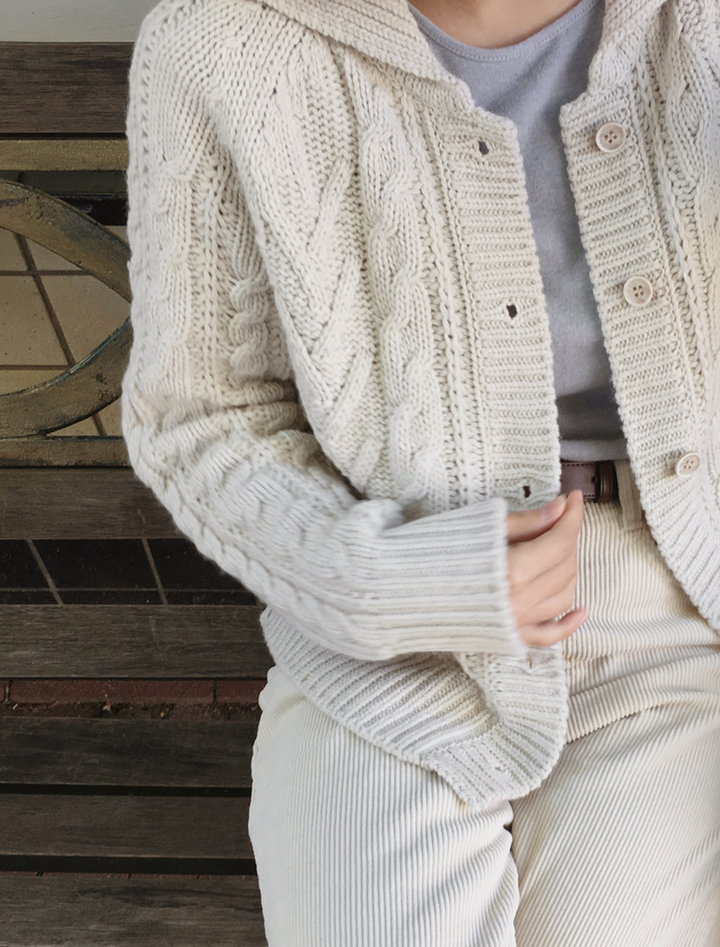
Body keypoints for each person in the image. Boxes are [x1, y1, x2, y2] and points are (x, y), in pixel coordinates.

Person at [121, 0, 720, 943]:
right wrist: (383, 581)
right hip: (380, 628)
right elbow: (199, 414)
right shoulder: (223, 42)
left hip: (675, 611)